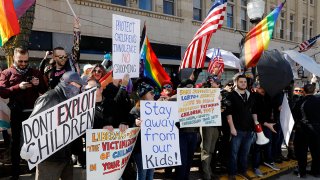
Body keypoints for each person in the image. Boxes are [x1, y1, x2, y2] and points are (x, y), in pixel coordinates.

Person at [25, 71, 87, 180]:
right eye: (78, 86)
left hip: (65, 155)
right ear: (68, 84)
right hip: (49, 158)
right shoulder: (49, 97)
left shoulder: (70, 99)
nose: (79, 89)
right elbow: (33, 123)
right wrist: (27, 146)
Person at [0, 47, 47, 180]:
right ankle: (15, 174)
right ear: (14, 58)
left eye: (26, 61)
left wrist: (37, 84)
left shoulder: (35, 72)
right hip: (16, 112)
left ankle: (37, 171)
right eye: (20, 61)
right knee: (15, 143)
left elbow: (45, 91)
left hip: (34, 112)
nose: (23, 64)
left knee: (36, 142)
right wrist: (17, 87)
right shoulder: (7, 73)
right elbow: (2, 91)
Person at [225, 74, 257, 180]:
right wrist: (232, 128)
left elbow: (254, 111)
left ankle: (242, 171)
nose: (243, 83)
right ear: (236, 83)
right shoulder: (231, 95)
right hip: (237, 129)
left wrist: (256, 123)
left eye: (245, 82)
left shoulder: (251, 95)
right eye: (241, 82)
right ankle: (232, 173)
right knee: (233, 153)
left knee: (245, 153)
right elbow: (228, 114)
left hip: (249, 130)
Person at [173, 79, 200, 180]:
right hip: (181, 134)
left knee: (189, 159)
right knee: (182, 160)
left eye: (192, 87)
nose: (191, 89)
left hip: (193, 133)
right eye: (188, 87)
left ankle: (186, 177)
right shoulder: (174, 98)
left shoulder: (197, 99)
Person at [251, 83, 280, 177]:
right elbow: (253, 112)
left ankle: (268, 161)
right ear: (255, 88)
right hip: (259, 125)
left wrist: (279, 107)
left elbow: (274, 106)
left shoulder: (268, 96)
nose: (262, 89)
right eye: (260, 87)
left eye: (263, 87)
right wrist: (262, 123)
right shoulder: (254, 97)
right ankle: (255, 166)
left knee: (268, 144)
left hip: (268, 124)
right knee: (258, 147)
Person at [44, 19, 81, 89]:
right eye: (61, 57)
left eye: (65, 56)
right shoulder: (49, 71)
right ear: (54, 57)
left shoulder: (70, 63)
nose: (64, 59)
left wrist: (76, 29)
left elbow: (76, 47)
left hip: (71, 97)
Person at [293, 84, 320, 178]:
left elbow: (295, 116)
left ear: (303, 91)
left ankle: (302, 172)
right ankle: (316, 172)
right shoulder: (318, 100)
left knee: (301, 152)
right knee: (316, 152)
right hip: (317, 130)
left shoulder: (300, 102)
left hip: (303, 130)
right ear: (314, 91)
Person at [130, 82, 155, 180]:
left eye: (154, 92)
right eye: (151, 92)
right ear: (144, 95)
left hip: (154, 147)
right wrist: (135, 124)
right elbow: (129, 128)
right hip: (140, 149)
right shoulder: (135, 110)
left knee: (150, 174)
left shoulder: (157, 108)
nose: (153, 94)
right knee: (142, 173)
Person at [201, 75, 221, 180]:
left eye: (217, 83)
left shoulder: (220, 94)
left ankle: (209, 171)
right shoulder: (204, 93)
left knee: (211, 150)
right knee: (206, 150)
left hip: (216, 125)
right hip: (207, 125)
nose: (215, 84)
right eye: (213, 82)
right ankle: (206, 174)